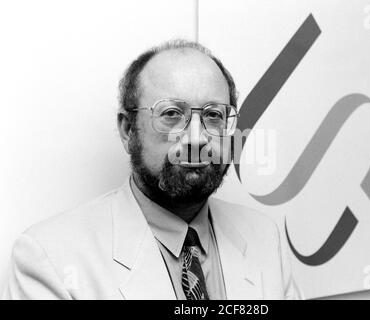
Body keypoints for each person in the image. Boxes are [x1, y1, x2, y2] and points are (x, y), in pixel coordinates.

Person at [2, 40, 300, 300]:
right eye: (171, 114)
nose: (196, 138)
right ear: (128, 129)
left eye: (212, 115)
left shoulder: (264, 236)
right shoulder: (50, 257)